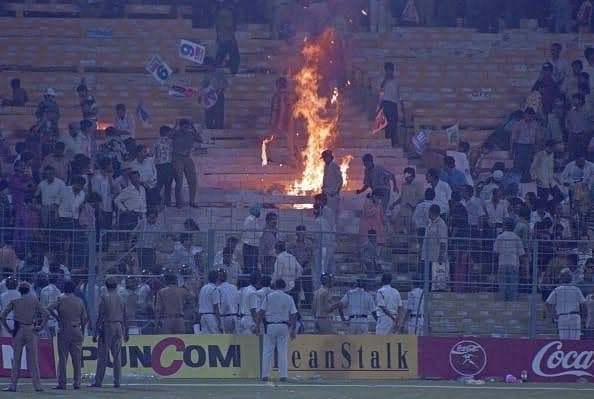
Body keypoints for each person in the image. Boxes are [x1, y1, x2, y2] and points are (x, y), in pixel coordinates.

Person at [0, 282, 49, 392]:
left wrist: (8, 329)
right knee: (33, 359)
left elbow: (2, 316)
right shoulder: (34, 301)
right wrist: (40, 327)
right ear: (28, 290)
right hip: (31, 329)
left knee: (16, 359)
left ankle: (13, 385)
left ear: (19, 290)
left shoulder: (15, 301)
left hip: (18, 330)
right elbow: (46, 314)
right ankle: (38, 386)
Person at [47, 280, 87, 390]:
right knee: (77, 358)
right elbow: (84, 318)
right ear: (74, 289)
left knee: (63, 357)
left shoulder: (61, 299)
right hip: (76, 328)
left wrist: (57, 318)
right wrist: (82, 330)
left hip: (64, 328)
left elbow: (49, 309)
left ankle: (62, 383)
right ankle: (77, 382)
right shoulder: (79, 301)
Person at [89, 276, 129, 388]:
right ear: (116, 286)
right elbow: (126, 317)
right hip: (118, 326)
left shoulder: (104, 298)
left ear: (106, 286)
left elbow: (100, 316)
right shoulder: (121, 298)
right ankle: (117, 381)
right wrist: (126, 332)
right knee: (117, 356)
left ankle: (98, 381)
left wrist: (95, 332)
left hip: (107, 326)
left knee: (103, 355)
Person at [257, 278, 298, 383]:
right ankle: (283, 375)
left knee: (267, 351)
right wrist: (293, 329)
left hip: (270, 325)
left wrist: (258, 325)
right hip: (283, 325)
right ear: (284, 286)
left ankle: (265, 375)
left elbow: (261, 312)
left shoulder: (268, 297)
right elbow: (293, 315)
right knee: (282, 351)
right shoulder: (289, 298)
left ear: (274, 286)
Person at [546, 270, 587, 340]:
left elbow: (548, 303)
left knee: (564, 340)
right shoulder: (576, 289)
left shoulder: (557, 290)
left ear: (561, 278)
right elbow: (583, 304)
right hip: (574, 316)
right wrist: (584, 317)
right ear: (571, 278)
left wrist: (554, 315)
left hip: (563, 316)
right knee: (575, 340)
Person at [493, 218, 526, 302]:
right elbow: (521, 254)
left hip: (502, 263)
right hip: (514, 264)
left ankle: (501, 305)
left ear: (504, 226)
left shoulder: (500, 237)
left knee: (502, 286)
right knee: (513, 286)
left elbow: (495, 252)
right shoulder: (517, 238)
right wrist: (523, 267)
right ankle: (512, 304)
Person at [172, 119, 202, 208]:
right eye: (185, 126)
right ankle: (179, 202)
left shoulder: (191, 133)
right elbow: (169, 136)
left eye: (188, 127)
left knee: (192, 180)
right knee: (179, 181)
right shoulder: (176, 133)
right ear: (181, 126)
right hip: (177, 158)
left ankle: (192, 201)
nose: (186, 128)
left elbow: (200, 139)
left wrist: (193, 128)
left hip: (188, 158)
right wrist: (175, 126)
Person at [390, 167, 424, 234]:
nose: (406, 178)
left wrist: (412, 204)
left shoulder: (418, 184)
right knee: (396, 228)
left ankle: (411, 243)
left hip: (412, 211)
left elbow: (421, 198)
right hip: (402, 211)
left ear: (412, 176)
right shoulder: (404, 185)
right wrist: (394, 204)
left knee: (411, 231)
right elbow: (402, 198)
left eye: (408, 176)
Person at [287, 225, 314, 307]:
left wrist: (305, 265)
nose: (301, 233)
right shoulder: (291, 244)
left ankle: (309, 304)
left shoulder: (309, 243)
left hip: (306, 268)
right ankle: (294, 304)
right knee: (295, 287)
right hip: (295, 268)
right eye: (300, 231)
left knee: (308, 287)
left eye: (303, 231)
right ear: (296, 232)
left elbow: (311, 256)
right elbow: (290, 255)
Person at [511, 107, 538, 183]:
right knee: (518, 163)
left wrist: (536, 147)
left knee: (528, 163)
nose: (529, 116)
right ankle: (515, 181)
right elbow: (513, 137)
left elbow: (537, 136)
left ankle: (526, 179)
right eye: (527, 114)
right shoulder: (519, 123)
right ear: (524, 114)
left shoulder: (535, 124)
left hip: (530, 146)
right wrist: (511, 149)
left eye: (531, 115)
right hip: (520, 145)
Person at [272, 241, 303, 307]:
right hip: (292, 285)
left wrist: (273, 282)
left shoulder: (279, 258)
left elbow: (278, 273)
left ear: (277, 249)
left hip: (282, 287)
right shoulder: (292, 257)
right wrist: (294, 278)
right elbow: (300, 269)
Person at [378, 62, 401, 147]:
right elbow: (380, 92)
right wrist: (379, 105)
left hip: (393, 104)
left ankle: (393, 142)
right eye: (388, 70)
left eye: (391, 70)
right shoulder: (382, 80)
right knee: (386, 124)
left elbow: (399, 95)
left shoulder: (397, 82)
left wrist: (400, 107)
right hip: (385, 103)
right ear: (385, 71)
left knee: (393, 124)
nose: (389, 72)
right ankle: (386, 142)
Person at [214, 0, 240, 75]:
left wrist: (218, 37)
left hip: (222, 37)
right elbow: (229, 27)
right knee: (235, 56)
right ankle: (233, 72)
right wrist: (233, 38)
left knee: (220, 56)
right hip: (228, 38)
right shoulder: (227, 13)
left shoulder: (220, 12)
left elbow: (218, 27)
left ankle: (214, 70)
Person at [202, 58, 228, 129]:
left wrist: (217, 91)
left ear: (211, 65)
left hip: (218, 96)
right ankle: (209, 129)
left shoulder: (219, 73)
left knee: (218, 115)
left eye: (206, 65)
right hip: (208, 96)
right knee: (208, 115)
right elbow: (204, 86)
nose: (205, 67)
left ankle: (218, 132)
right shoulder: (206, 74)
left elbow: (225, 84)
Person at [153, 126, 174, 207]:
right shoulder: (171, 141)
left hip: (159, 165)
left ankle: (156, 200)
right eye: (169, 132)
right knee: (168, 184)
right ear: (166, 132)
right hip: (168, 165)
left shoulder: (156, 141)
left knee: (159, 184)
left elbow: (152, 153)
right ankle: (168, 202)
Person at [321, 149, 343, 224]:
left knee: (333, 214)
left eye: (325, 157)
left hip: (333, 195)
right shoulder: (326, 166)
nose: (324, 159)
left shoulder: (334, 166)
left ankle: (333, 230)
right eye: (323, 158)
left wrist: (335, 191)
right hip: (326, 194)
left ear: (330, 157)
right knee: (327, 214)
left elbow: (340, 180)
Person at [217, 268, 239, 334]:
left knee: (224, 340)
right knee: (235, 340)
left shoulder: (218, 289)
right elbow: (238, 303)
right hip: (235, 316)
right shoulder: (234, 287)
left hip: (224, 317)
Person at [241, 203, 262, 273]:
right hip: (251, 246)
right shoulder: (251, 220)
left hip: (250, 245)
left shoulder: (250, 219)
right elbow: (258, 233)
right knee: (251, 266)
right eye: (259, 211)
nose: (260, 213)